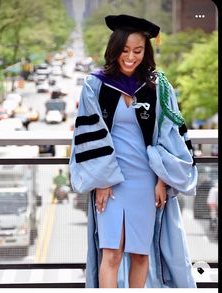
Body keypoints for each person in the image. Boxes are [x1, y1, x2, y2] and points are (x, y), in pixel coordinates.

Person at [69, 14, 198, 288]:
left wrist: (162, 179)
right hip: (111, 182)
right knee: (112, 253)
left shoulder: (158, 87)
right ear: (114, 50)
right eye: (124, 51)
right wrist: (102, 181)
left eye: (137, 51)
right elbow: (88, 135)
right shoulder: (95, 85)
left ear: (146, 51)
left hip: (145, 182)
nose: (130, 57)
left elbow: (169, 137)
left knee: (141, 254)